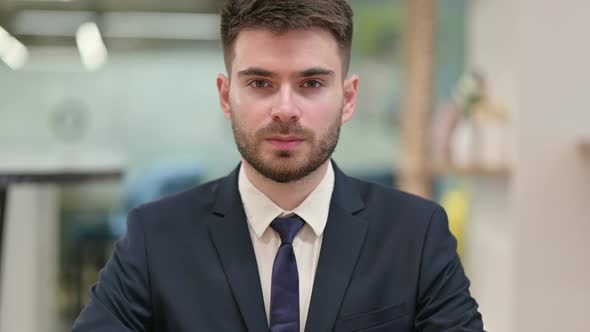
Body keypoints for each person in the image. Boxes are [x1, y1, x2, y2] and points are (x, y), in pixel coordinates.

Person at [72, 0, 484, 331]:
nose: (285, 109)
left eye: (311, 84)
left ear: (349, 98)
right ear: (225, 95)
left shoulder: (416, 234)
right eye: (260, 83)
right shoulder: (155, 238)